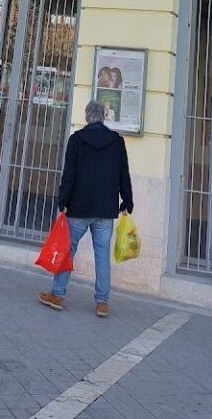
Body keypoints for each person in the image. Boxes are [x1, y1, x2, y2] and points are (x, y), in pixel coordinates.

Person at [38, 99, 133, 317]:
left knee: (67, 250)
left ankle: (58, 295)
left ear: (87, 116)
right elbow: (123, 175)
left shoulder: (76, 140)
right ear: (103, 116)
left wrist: (63, 201)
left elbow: (69, 175)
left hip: (79, 207)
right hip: (105, 209)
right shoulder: (116, 142)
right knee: (102, 255)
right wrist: (127, 202)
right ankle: (102, 303)